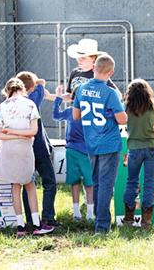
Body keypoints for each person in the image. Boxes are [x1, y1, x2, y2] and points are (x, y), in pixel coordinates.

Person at [0, 77, 54, 237]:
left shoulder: (2, 106)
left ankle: (20, 226)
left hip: (7, 149)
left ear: (7, 91)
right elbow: (33, 131)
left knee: (15, 186)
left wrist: (11, 132)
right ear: (23, 90)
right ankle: (35, 223)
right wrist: (19, 134)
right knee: (29, 184)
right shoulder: (30, 104)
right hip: (24, 149)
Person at [73, 54, 128, 233]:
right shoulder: (110, 92)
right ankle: (102, 225)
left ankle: (98, 217)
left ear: (94, 68)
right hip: (109, 143)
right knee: (106, 184)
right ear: (111, 72)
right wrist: (110, 114)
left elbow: (76, 116)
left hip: (91, 141)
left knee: (96, 181)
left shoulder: (81, 89)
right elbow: (122, 119)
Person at [16, 71, 59, 227]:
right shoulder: (33, 98)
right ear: (31, 87)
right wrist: (38, 82)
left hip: (23, 149)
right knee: (49, 182)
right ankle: (48, 216)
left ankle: (30, 219)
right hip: (39, 148)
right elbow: (41, 84)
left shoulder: (13, 103)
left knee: (28, 184)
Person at [122, 79, 154, 228]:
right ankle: (146, 221)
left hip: (133, 148)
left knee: (132, 182)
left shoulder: (127, 108)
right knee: (149, 183)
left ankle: (128, 219)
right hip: (151, 148)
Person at [52, 84, 94, 221]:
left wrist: (58, 99)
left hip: (71, 150)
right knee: (89, 183)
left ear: (72, 97)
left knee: (74, 182)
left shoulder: (70, 111)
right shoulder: (91, 112)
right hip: (87, 151)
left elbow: (55, 115)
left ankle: (76, 212)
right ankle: (90, 212)